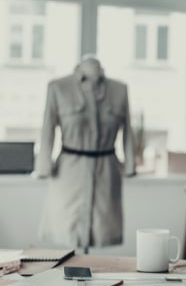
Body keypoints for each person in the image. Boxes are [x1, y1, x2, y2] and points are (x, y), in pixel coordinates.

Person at [35, 54, 135, 251]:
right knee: (69, 229)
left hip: (106, 169)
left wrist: (130, 165)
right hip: (69, 171)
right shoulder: (58, 87)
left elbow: (129, 131)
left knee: (100, 228)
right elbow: (47, 129)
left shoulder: (119, 90)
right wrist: (44, 166)